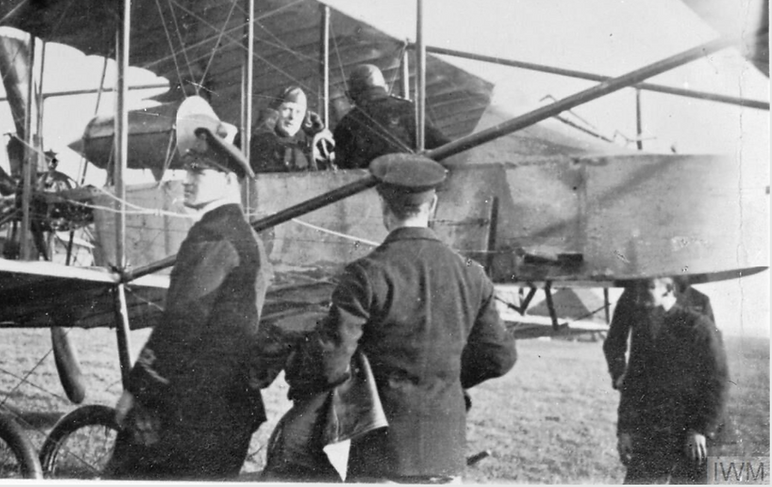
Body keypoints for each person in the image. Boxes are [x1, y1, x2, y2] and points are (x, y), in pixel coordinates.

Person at [285, 153, 517, 482]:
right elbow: (500, 357)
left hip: (380, 451)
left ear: (384, 208)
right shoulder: (473, 275)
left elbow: (330, 362)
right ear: (433, 205)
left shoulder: (366, 274)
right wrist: (445, 377)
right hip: (444, 450)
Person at [109, 99, 272, 480]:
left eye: (200, 171)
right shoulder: (243, 237)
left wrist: (137, 389)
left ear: (229, 181)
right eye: (187, 169)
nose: (187, 178)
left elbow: (181, 324)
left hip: (191, 411)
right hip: (226, 409)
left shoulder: (214, 238)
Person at [615, 277, 728, 484]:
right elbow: (633, 384)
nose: (639, 294)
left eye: (648, 287)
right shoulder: (642, 330)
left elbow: (717, 382)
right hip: (650, 433)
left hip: (691, 435)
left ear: (668, 289)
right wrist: (624, 430)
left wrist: (701, 429)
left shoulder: (698, 326)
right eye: (638, 287)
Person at [603, 277, 715, 390]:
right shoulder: (633, 295)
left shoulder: (699, 301)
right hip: (641, 391)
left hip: (682, 394)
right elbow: (614, 341)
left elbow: (712, 353)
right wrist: (619, 375)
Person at [333, 64, 451, 169]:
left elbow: (344, 169)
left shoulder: (345, 124)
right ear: (386, 87)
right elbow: (443, 146)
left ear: (350, 95)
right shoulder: (408, 109)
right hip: (411, 182)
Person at [249, 85, 334, 172]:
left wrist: (321, 132)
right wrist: (264, 127)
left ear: (304, 117)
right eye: (287, 109)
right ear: (276, 111)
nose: (292, 117)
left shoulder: (305, 143)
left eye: (298, 112)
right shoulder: (261, 140)